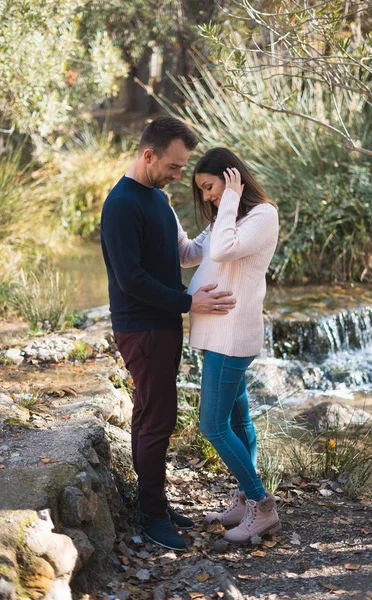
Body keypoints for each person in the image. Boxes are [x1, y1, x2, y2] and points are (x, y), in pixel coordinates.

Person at [100, 118, 237, 551]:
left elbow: (185, 253)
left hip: (160, 325)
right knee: (158, 420)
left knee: (149, 415)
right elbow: (130, 280)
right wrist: (188, 303)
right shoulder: (122, 204)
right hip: (142, 328)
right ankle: (153, 516)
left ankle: (152, 501)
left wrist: (226, 213)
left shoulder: (158, 198)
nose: (180, 176)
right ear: (148, 155)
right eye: (175, 167)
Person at [174, 147, 281, 544]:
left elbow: (221, 250)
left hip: (233, 338)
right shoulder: (226, 217)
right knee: (238, 421)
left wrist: (231, 199)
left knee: (213, 426)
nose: (208, 197)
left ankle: (261, 504)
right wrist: (164, 212)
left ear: (232, 178)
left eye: (210, 186)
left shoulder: (261, 215)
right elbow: (190, 256)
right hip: (217, 336)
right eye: (202, 190)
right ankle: (244, 499)